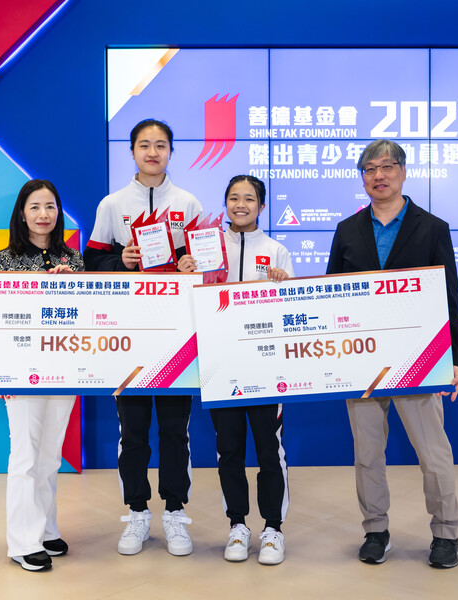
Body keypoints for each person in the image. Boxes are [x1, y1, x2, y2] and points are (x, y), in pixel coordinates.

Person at [326, 139, 458, 569]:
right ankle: (375, 530)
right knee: (368, 453)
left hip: (419, 358)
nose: (379, 176)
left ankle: (445, 533)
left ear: (403, 172)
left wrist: (453, 360)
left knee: (433, 452)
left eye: (387, 167)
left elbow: (448, 298)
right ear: (362, 177)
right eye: (369, 169)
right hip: (361, 360)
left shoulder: (432, 227)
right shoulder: (347, 230)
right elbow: (331, 297)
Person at [84, 119, 203, 556]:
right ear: (131, 152)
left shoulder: (188, 203)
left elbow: (207, 262)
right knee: (132, 431)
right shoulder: (113, 205)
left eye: (161, 145)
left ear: (171, 152)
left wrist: (193, 265)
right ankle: (136, 512)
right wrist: (122, 261)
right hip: (129, 333)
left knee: (176, 430)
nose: (152, 152)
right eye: (144, 145)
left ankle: (174, 512)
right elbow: (91, 263)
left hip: (177, 333)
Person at [181, 175, 291, 565]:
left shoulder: (276, 251)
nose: (240, 204)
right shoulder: (206, 247)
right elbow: (193, 304)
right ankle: (238, 526)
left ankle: (273, 529)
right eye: (233, 198)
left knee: (268, 451)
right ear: (225, 203)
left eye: (249, 199)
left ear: (261, 206)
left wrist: (284, 285)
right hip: (220, 365)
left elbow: (291, 312)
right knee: (228, 450)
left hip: (265, 368)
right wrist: (186, 271)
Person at [0, 179, 84, 571]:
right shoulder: (5, 260)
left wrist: (70, 288)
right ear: (22, 213)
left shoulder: (74, 259)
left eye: (50, 207)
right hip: (21, 369)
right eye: (35, 207)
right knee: (25, 455)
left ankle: (45, 530)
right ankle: (22, 542)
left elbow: (87, 318)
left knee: (49, 455)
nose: (44, 215)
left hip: (64, 368)